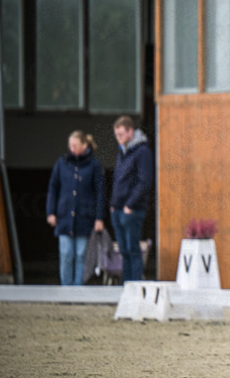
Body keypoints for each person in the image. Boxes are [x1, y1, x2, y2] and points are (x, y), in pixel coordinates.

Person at [46, 131, 106, 286]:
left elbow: (100, 192)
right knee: (66, 253)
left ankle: (78, 288)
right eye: (70, 145)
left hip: (85, 216)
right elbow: (53, 188)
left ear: (84, 145)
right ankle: (66, 287)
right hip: (64, 215)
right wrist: (50, 211)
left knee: (81, 254)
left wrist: (99, 217)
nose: (71, 148)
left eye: (75, 145)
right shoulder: (62, 163)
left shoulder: (94, 165)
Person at [111, 115, 153, 282]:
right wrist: (114, 205)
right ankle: (126, 285)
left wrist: (130, 204)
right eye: (116, 135)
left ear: (130, 131)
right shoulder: (123, 152)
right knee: (123, 250)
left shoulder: (142, 152)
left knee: (132, 249)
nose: (118, 139)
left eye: (121, 134)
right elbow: (118, 180)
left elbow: (144, 181)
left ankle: (135, 285)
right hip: (118, 208)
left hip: (131, 209)